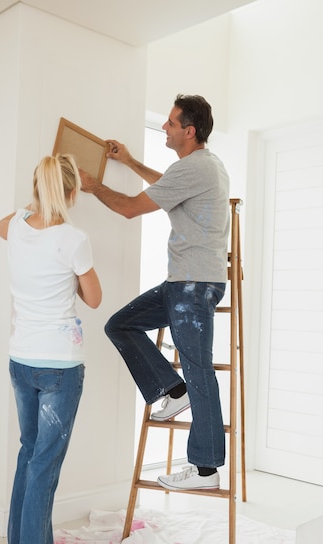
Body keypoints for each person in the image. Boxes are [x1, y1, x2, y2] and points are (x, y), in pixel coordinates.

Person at [80, 94, 229, 491]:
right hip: (183, 282)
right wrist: (128, 161)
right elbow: (165, 186)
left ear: (189, 131)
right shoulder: (199, 167)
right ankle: (171, 388)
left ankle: (205, 471)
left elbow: (130, 208)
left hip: (192, 286)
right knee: (121, 325)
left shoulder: (196, 166)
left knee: (199, 371)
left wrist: (94, 186)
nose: (165, 127)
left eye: (170, 122)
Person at [0, 154, 102, 544]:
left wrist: (32, 209)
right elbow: (94, 298)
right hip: (59, 366)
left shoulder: (15, 225)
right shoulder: (74, 240)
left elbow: (7, 223)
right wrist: (70, 277)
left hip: (20, 359)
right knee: (43, 467)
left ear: (37, 188)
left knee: (28, 453)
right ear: (74, 192)